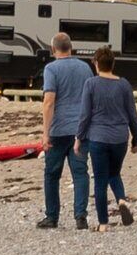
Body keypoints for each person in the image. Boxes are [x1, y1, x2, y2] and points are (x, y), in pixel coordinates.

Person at [35, 33, 94, 230]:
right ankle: (80, 216)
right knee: (80, 172)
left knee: (52, 174)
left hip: (59, 129)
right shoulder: (85, 67)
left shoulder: (51, 69)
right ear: (71, 47)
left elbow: (49, 100)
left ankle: (52, 216)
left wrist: (45, 132)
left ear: (53, 49)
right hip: (80, 128)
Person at [83, 51, 137, 226]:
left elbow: (85, 115)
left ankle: (103, 223)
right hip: (119, 138)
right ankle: (121, 200)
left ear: (96, 64)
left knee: (100, 180)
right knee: (114, 173)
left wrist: (79, 137)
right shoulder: (124, 85)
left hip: (98, 138)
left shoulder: (91, 84)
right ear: (113, 63)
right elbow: (133, 115)